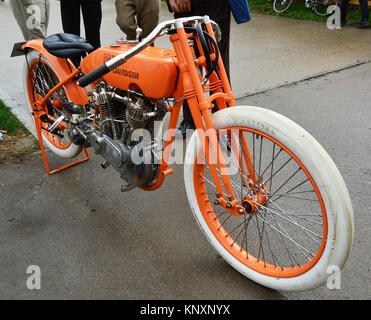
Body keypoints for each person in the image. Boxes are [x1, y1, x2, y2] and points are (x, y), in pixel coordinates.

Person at [166, 0, 231, 138]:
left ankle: (223, 124)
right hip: (183, 11)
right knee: (188, 66)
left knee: (217, 65)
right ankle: (191, 120)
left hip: (213, 9)